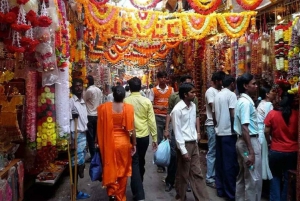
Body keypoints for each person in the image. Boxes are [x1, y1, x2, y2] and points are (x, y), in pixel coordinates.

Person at [97, 86, 137, 201]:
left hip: (108, 143)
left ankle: (112, 192)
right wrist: (134, 143)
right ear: (124, 95)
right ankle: (120, 196)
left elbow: (99, 126)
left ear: (112, 95)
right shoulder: (128, 108)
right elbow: (132, 129)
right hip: (123, 144)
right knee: (123, 170)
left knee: (110, 166)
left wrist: (97, 141)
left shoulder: (104, 108)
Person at [171, 83, 209, 201]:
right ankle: (180, 197)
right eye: (192, 92)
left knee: (197, 173)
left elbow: (192, 125)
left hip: (193, 143)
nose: (194, 94)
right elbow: (177, 131)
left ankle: (202, 198)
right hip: (184, 144)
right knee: (183, 175)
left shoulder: (192, 106)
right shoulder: (177, 110)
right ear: (185, 94)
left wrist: (197, 136)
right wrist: (183, 150)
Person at [164, 75, 200, 193]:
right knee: (175, 157)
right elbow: (169, 113)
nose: (193, 92)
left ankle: (186, 185)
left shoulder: (193, 101)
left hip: (190, 136)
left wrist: (198, 132)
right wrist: (167, 129)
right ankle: (171, 181)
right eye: (189, 86)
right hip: (178, 133)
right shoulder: (174, 98)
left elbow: (196, 115)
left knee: (190, 165)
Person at [124, 77, 158, 201]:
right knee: (140, 161)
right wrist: (154, 138)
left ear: (130, 87)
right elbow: (151, 121)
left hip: (129, 137)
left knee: (135, 163)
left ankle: (138, 193)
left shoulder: (125, 101)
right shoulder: (146, 101)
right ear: (140, 87)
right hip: (143, 137)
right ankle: (138, 187)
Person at [264, 92, 298, 201]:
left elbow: (266, 131)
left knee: (275, 177)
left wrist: (270, 141)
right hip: (292, 151)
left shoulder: (272, 114)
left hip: (276, 150)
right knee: (288, 180)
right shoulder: (297, 115)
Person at [234, 73, 262, 201]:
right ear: (245, 86)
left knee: (243, 176)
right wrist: (251, 151)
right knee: (252, 178)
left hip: (243, 141)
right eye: (253, 84)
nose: (256, 86)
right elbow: (245, 128)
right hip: (248, 141)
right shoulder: (245, 103)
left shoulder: (241, 101)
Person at [213, 75, 238, 201]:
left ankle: (220, 189)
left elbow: (213, 114)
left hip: (219, 132)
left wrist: (217, 126)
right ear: (232, 84)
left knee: (220, 162)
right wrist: (236, 130)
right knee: (229, 164)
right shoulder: (231, 95)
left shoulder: (217, 95)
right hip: (228, 133)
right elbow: (233, 114)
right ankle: (230, 193)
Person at [148, 71, 174, 173]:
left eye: (165, 77)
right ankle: (160, 164)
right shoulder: (153, 90)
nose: (163, 79)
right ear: (158, 79)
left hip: (169, 117)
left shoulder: (171, 90)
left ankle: (168, 159)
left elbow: (172, 103)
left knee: (168, 139)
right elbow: (150, 104)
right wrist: (158, 106)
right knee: (159, 139)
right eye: (161, 77)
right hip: (158, 117)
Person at [69, 78, 90, 199]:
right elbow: (67, 121)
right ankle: (74, 192)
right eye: (76, 86)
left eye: (80, 86)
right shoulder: (71, 101)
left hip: (83, 134)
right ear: (73, 88)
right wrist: (71, 140)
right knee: (76, 164)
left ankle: (76, 191)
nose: (78, 88)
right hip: (75, 135)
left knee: (79, 163)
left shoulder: (82, 101)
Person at [205, 71, 225, 188]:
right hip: (212, 124)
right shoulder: (210, 91)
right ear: (217, 81)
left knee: (217, 150)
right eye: (221, 81)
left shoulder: (220, 91)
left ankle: (215, 174)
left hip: (219, 124)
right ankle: (209, 177)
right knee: (212, 150)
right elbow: (214, 108)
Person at [256, 87, 277, 181]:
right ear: (267, 94)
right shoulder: (268, 105)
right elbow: (269, 122)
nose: (274, 93)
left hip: (259, 132)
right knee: (264, 158)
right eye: (272, 91)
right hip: (263, 133)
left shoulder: (262, 103)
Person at [84, 75, 102, 161]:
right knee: (96, 136)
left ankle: (93, 156)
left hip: (90, 116)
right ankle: (96, 154)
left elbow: (83, 100)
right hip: (97, 115)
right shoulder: (98, 90)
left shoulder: (89, 90)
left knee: (90, 138)